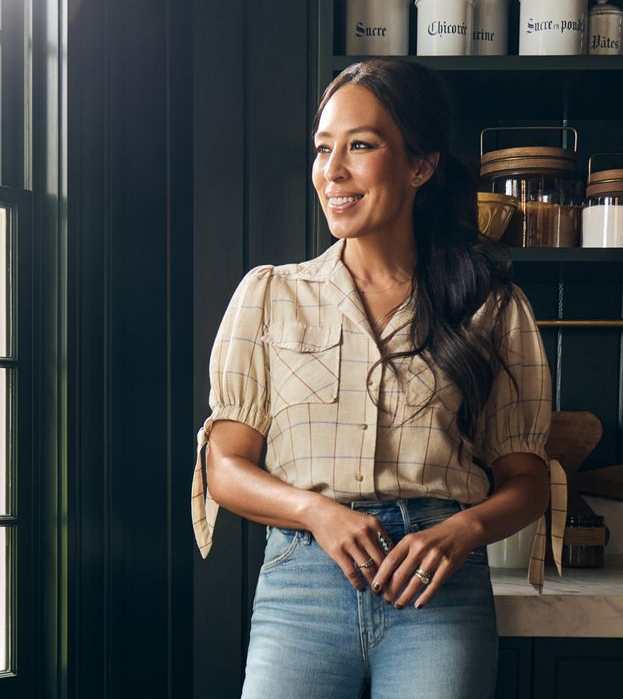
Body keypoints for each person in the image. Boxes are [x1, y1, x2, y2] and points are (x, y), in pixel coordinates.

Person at [190, 58, 554, 699]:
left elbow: (525, 482)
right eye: (323, 148)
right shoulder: (271, 296)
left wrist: (465, 529)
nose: (333, 170)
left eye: (361, 145)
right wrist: (316, 513)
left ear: (421, 165)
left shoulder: (492, 307)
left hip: (437, 588)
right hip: (303, 583)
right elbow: (225, 469)